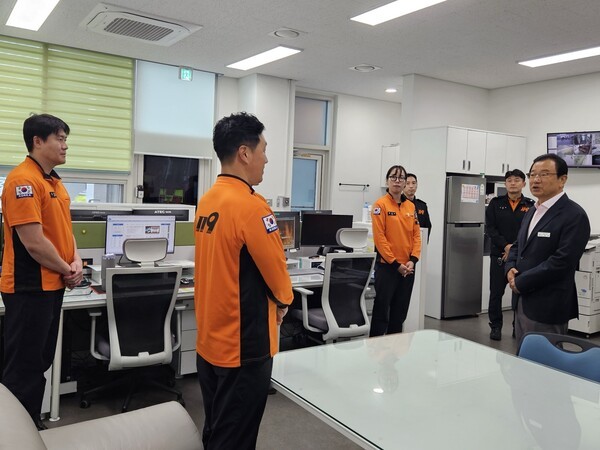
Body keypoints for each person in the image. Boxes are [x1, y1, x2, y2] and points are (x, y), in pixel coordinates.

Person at [194, 112, 293, 449]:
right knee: (236, 437)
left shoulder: (208, 201)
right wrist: (284, 302)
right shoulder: (252, 207)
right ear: (244, 153)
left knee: (217, 426)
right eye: (263, 150)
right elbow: (277, 272)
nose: (266, 159)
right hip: (244, 346)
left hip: (211, 341)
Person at [1, 114, 83, 430]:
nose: (65, 145)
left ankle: (30, 425)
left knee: (40, 360)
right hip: (29, 287)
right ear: (38, 141)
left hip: (52, 284)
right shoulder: (22, 181)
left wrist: (76, 262)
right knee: (24, 367)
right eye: (59, 139)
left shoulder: (55, 182)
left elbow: (64, 231)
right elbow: (34, 243)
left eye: (65, 139)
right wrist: (67, 270)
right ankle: (15, 435)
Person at [505, 154, 590, 343]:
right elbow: (519, 245)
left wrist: (521, 282)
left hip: (548, 304)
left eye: (544, 174)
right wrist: (509, 268)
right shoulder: (532, 211)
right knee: (523, 353)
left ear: (562, 180)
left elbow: (562, 262)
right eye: (533, 174)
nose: (536, 180)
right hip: (522, 300)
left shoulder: (574, 215)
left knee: (545, 357)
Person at [370, 165, 421, 336]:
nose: (397, 181)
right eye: (393, 177)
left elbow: (416, 236)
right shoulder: (380, 205)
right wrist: (395, 264)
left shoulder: (411, 207)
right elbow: (380, 239)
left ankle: (395, 350)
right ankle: (376, 350)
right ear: (387, 181)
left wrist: (413, 260)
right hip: (387, 268)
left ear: (405, 182)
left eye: (401, 178)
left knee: (399, 315)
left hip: (407, 269)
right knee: (381, 314)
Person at [485, 169, 534, 341]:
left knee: (519, 293)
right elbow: (490, 228)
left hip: (520, 257)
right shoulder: (495, 203)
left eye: (517, 180)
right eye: (509, 180)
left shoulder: (531, 205)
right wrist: (506, 246)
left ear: (523, 183)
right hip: (499, 256)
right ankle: (495, 326)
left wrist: (513, 250)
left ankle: (517, 326)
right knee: (496, 293)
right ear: (505, 184)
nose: (513, 183)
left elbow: (529, 231)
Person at [403, 173, 432, 242]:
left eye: (413, 183)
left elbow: (427, 226)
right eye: (407, 183)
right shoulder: (398, 204)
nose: (411, 186)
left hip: (419, 242)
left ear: (417, 185)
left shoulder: (422, 205)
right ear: (403, 185)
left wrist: (424, 242)